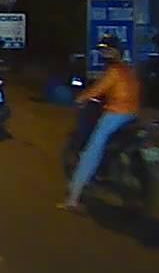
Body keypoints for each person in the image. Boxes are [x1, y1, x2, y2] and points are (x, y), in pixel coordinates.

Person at [60, 33, 141, 213]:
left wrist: (81, 98)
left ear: (117, 52)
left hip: (116, 114)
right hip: (132, 115)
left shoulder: (114, 71)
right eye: (104, 51)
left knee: (92, 151)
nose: (105, 54)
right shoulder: (129, 69)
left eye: (108, 51)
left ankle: (73, 199)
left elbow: (99, 89)